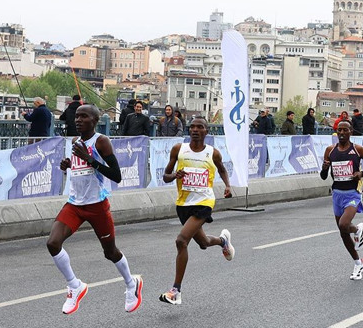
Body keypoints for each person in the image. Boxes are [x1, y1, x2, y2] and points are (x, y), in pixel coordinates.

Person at [47, 104, 142, 315]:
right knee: (53, 243)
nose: (78, 120)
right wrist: (68, 164)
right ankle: (74, 285)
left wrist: (89, 158)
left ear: (94, 120)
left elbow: (116, 175)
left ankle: (130, 283)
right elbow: (80, 166)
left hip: (97, 205)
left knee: (110, 252)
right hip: (75, 203)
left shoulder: (101, 141)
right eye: (77, 117)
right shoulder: (75, 141)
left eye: (84, 117)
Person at [160, 117, 234, 305]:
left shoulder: (213, 153)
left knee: (181, 240)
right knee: (203, 242)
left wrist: (227, 186)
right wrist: (175, 175)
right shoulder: (179, 149)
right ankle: (222, 241)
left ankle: (175, 291)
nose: (195, 130)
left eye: (199, 127)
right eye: (192, 127)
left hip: (204, 202)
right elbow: (165, 177)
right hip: (183, 203)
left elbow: (222, 169)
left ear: (206, 131)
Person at [319, 120, 363, 280]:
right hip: (337, 193)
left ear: (351, 131)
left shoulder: (357, 150)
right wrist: (324, 168)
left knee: (344, 224)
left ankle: (358, 229)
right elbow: (324, 176)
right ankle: (358, 263)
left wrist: (362, 174)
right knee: (343, 232)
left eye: (345, 130)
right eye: (339, 130)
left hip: (353, 193)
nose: (342, 133)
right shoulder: (330, 151)